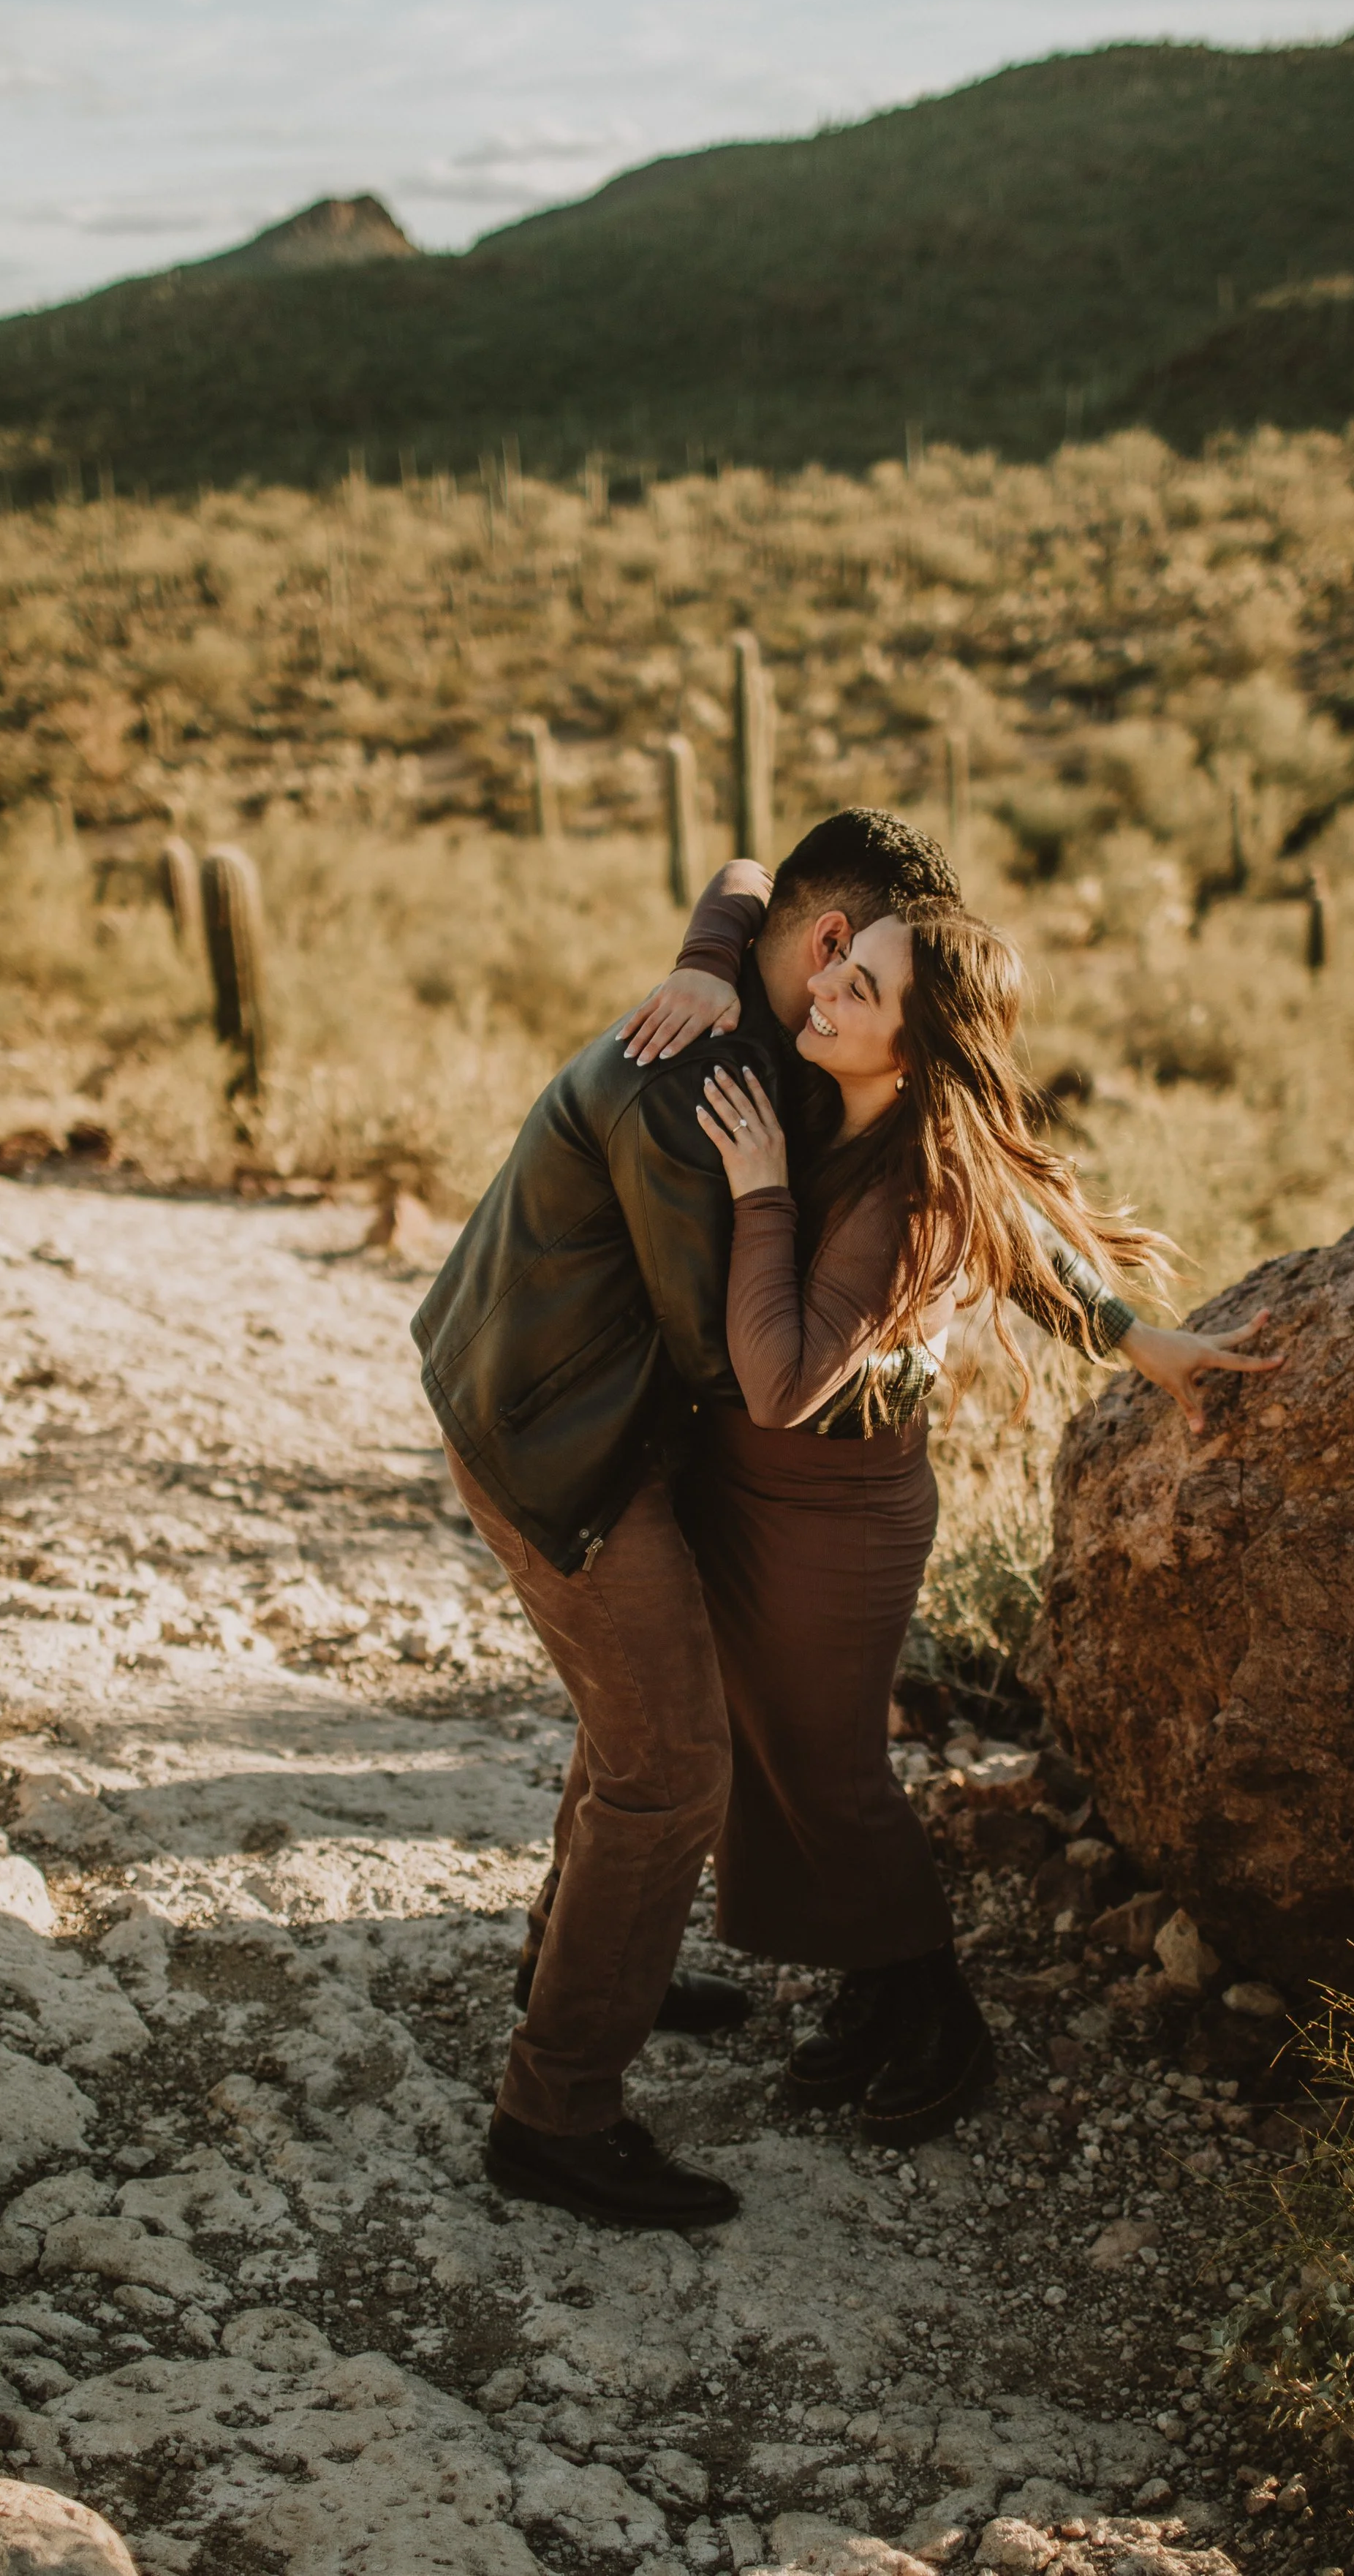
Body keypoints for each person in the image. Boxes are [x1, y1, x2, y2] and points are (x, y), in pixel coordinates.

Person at [412, 810, 965, 2232]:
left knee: (631, 1731)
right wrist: (885, 1338)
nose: (856, 994)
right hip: (566, 1450)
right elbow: (735, 1367)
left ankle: (588, 1963)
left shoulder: (732, 1001)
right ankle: (556, 2115)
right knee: (670, 1768)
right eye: (860, 963)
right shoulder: (700, 1089)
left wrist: (713, 945)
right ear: (830, 942)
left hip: (521, 1389)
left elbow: (741, 872)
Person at [674, 891, 1279, 2145]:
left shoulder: (910, 1191)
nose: (824, 986)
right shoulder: (851, 1109)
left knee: (834, 1774)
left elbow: (783, 1383)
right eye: (840, 961)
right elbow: (1033, 1242)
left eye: (862, 988)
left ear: (920, 1044)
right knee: (780, 1757)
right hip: (765, 1501)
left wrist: (759, 1191)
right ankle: (875, 1989)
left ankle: (942, 2018)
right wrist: (1133, 1335)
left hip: (840, 1512)